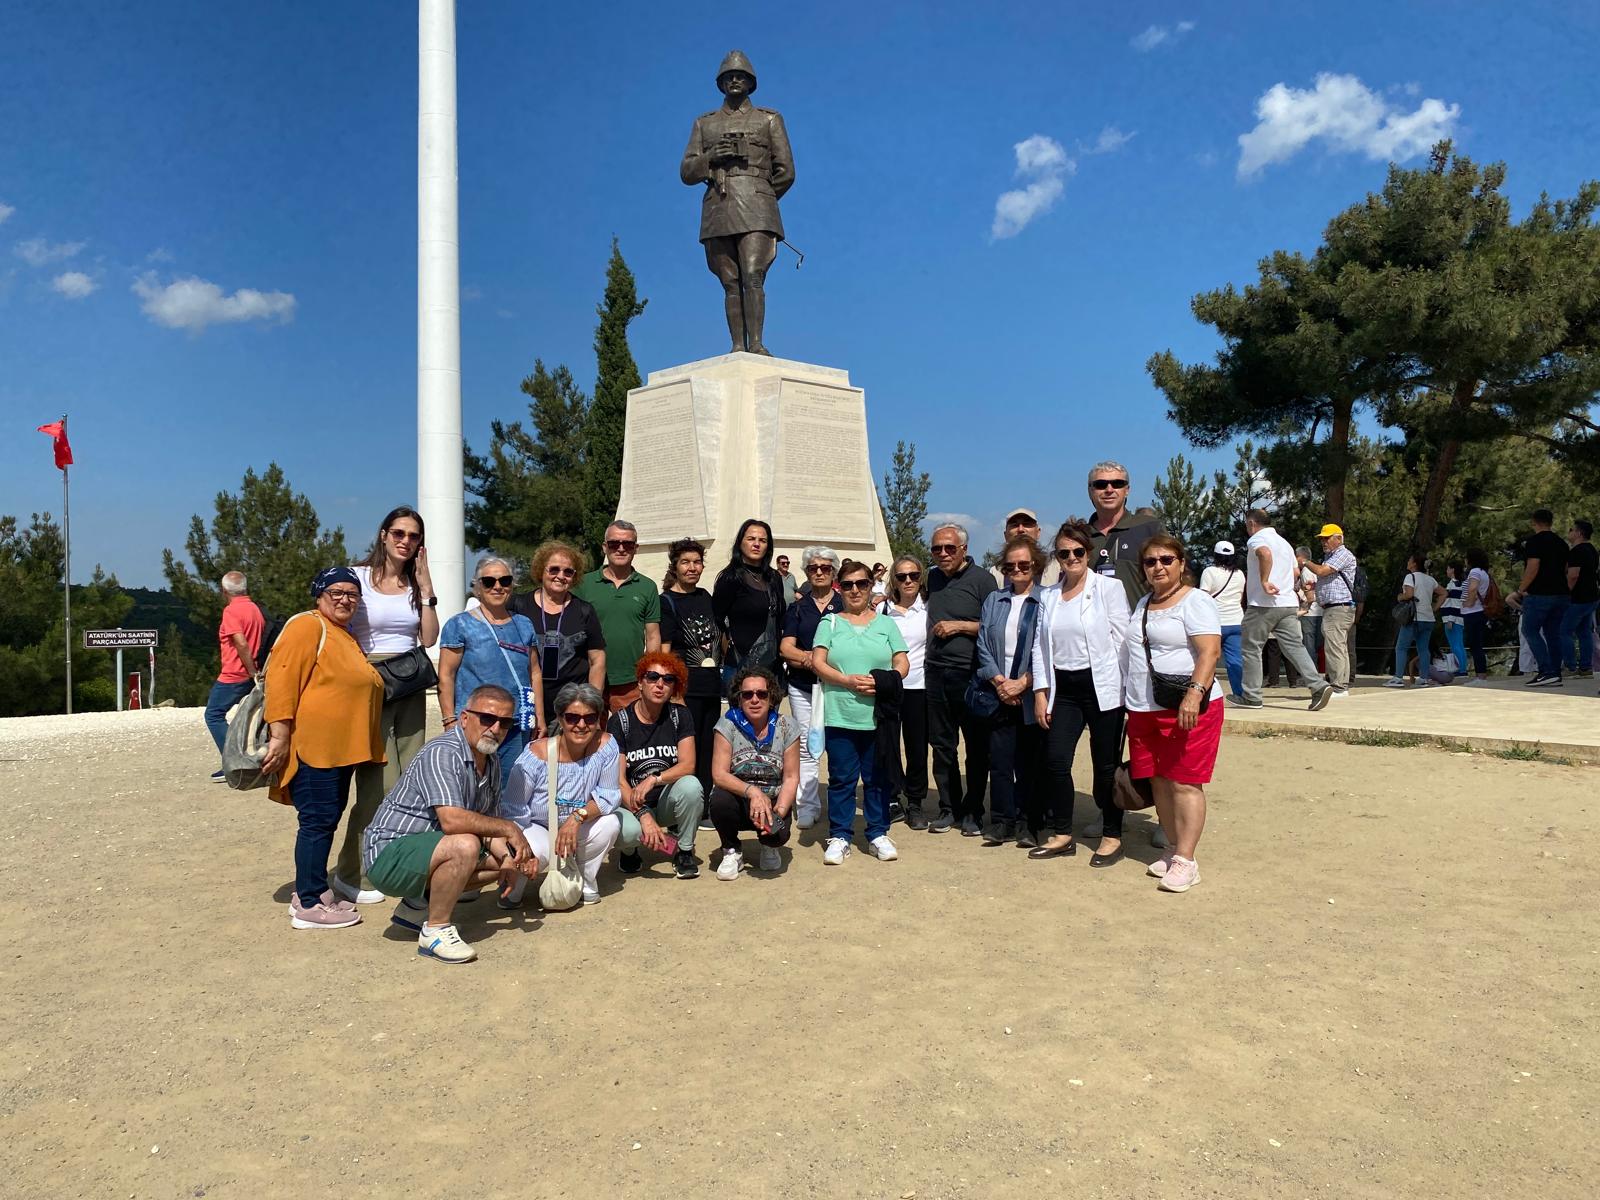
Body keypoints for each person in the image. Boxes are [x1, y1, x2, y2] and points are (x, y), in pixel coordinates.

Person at [362, 686, 537, 964]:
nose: (495, 728)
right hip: (389, 853)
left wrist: (508, 858)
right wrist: (510, 828)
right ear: (465, 718)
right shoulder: (443, 752)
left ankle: (417, 907)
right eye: (487, 718)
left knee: (506, 861)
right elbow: (452, 820)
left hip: (430, 849)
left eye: (505, 723)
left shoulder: (490, 760)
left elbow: (486, 824)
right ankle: (436, 931)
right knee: (465, 844)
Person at [260, 567, 385, 930]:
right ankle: (309, 903)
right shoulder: (307, 626)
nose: (345, 599)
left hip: (337, 751)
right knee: (316, 822)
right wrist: (279, 735)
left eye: (352, 594)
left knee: (325, 819)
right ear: (319, 595)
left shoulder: (342, 634)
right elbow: (281, 679)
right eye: (336, 592)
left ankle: (314, 889)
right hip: (314, 749)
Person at [335, 505, 440, 906]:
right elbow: (337, 623)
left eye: (413, 536)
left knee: (409, 782)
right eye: (398, 533)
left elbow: (428, 639)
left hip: (410, 683)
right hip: (371, 683)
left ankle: (393, 863)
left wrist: (427, 589)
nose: (405, 541)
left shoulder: (415, 585)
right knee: (377, 785)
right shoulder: (358, 578)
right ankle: (351, 872)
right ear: (383, 534)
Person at [1123, 535, 1223, 894]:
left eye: (1166, 559)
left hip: (1186, 705)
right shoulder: (1144, 602)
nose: (1158, 567)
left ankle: (1186, 859)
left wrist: (1194, 695)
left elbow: (1210, 652)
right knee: (1159, 780)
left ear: (1182, 563)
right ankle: (1172, 848)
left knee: (1184, 781)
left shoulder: (1195, 601)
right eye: (1150, 561)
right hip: (1144, 706)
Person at [679, 50, 795, 355]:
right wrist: (710, 157)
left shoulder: (769, 119)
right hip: (718, 207)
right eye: (728, 76)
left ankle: (756, 343)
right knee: (730, 281)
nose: (734, 80)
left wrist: (762, 196)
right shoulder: (704, 124)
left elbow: (786, 171)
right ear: (720, 83)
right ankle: (737, 346)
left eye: (740, 76)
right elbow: (687, 172)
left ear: (750, 82)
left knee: (753, 274)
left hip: (757, 207)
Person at [1030, 521, 1130, 864]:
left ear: (1088, 552)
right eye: (1064, 553)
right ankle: (1062, 833)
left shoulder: (1108, 588)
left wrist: (1127, 690)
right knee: (1056, 760)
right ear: (1057, 557)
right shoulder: (1048, 596)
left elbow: (1123, 641)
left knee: (1106, 766)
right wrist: (1041, 692)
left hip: (1102, 686)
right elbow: (1039, 647)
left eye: (1077, 551)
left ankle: (1112, 835)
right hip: (1064, 688)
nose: (1071, 558)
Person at [812, 559, 910, 864]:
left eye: (862, 583)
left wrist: (885, 680)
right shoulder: (829, 623)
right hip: (840, 713)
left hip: (878, 715)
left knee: (877, 777)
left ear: (870, 586)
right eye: (848, 584)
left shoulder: (886, 624)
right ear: (839, 588)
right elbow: (817, 662)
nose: (855, 590)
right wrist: (846, 681)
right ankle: (840, 835)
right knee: (842, 778)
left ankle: (877, 832)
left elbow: (902, 662)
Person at [500, 682, 624, 906]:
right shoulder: (535, 755)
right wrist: (522, 847)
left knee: (610, 823)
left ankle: (584, 879)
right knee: (535, 849)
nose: (581, 725)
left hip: (578, 823)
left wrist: (576, 818)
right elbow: (513, 809)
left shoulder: (606, 746)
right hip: (536, 824)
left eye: (590, 718)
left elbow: (608, 795)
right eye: (572, 718)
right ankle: (513, 885)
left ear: (599, 719)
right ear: (559, 717)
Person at [438, 556, 541, 780]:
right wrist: (449, 720)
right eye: (489, 581)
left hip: (515, 726)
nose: (497, 586)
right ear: (477, 587)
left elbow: (534, 673)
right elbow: (446, 675)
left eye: (504, 580)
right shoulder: (459, 624)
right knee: (471, 784)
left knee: (510, 787)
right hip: (476, 725)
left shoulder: (524, 624)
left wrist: (539, 716)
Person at [925, 523, 998, 835]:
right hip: (935, 672)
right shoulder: (931, 578)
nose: (943, 554)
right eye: (937, 548)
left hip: (970, 675)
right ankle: (948, 807)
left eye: (949, 548)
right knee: (942, 745)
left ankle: (973, 810)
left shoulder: (983, 580)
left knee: (977, 747)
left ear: (964, 549)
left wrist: (960, 626)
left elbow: (996, 624)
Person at [607, 652, 704, 880]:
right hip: (632, 802)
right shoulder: (620, 722)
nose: (660, 684)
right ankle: (629, 851)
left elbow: (688, 765)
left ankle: (684, 851)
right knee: (627, 831)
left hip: (665, 801)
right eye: (652, 677)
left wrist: (654, 779)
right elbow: (617, 781)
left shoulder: (680, 716)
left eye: (668, 679)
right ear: (640, 682)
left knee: (692, 786)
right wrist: (643, 815)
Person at [975, 535, 1045, 846]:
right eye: (1010, 565)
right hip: (999, 691)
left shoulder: (1047, 600)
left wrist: (1024, 682)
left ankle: (1029, 822)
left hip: (1032, 693)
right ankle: (1003, 820)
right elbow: (982, 644)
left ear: (1036, 566)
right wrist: (1000, 682)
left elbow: (1048, 648)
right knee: (1000, 761)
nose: (1017, 570)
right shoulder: (994, 600)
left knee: (1030, 762)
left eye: (1023, 565)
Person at [709, 665, 801, 878]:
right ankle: (731, 849)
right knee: (719, 801)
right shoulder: (727, 724)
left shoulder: (787, 726)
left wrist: (778, 812)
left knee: (778, 834)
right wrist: (753, 792)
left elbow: (791, 776)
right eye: (747, 694)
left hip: (772, 800)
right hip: (739, 798)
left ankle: (769, 846)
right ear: (739, 698)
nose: (755, 699)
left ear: (772, 697)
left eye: (762, 694)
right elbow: (719, 774)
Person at [1237, 509, 1333, 711]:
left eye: (1247, 526)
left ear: (1252, 523)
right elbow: (1296, 571)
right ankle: (1318, 685)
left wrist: (1265, 581)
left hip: (1263, 604)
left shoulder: (1257, 539)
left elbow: (1264, 553)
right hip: (1288, 603)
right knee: (1295, 647)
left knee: (1251, 648)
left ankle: (1252, 697)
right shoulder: (1285, 544)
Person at [778, 544, 843, 827]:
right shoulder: (797, 608)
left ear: (834, 572)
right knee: (806, 745)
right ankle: (807, 804)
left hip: (837, 687)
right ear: (806, 572)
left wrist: (820, 662)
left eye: (825, 568)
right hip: (803, 686)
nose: (819, 572)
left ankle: (839, 803)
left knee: (839, 743)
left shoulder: (844, 604)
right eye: (813, 568)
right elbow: (786, 648)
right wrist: (810, 658)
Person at [512, 541, 607, 724]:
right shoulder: (518, 606)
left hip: (572, 709)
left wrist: (592, 705)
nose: (561, 576)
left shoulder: (584, 610)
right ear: (541, 570)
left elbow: (597, 660)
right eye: (554, 569)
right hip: (526, 704)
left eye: (568, 572)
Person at [659, 538, 721, 800]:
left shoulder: (705, 597)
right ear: (675, 566)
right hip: (686, 690)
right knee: (686, 750)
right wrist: (673, 691)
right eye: (685, 562)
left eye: (697, 562)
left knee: (708, 749)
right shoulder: (666, 602)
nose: (692, 568)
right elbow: (664, 652)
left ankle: (704, 805)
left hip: (711, 687)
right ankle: (685, 804)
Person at [576, 520, 661, 710]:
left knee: (631, 729)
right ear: (604, 547)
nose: (621, 549)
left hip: (631, 681)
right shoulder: (583, 584)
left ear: (636, 548)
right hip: (588, 677)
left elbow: (653, 635)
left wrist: (650, 674)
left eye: (627, 544)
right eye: (614, 543)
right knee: (589, 728)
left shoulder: (647, 587)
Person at [878, 555, 930, 829]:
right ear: (894, 581)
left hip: (919, 687)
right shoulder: (882, 609)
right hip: (890, 687)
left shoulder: (929, 608)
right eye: (902, 576)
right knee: (887, 746)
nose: (908, 580)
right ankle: (892, 798)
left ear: (921, 577)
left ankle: (916, 802)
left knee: (917, 747)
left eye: (914, 575)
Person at [204, 570, 265, 782]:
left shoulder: (231, 611)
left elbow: (240, 642)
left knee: (213, 715)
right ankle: (252, 755)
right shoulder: (255, 608)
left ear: (224, 591)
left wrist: (250, 670)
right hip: (252, 671)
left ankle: (233, 762)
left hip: (235, 673)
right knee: (248, 717)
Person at [1085, 461, 1165, 607]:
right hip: (1092, 620)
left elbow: (1175, 578)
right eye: (1101, 484)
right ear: (1090, 490)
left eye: (1117, 484)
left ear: (1127, 489)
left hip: (1140, 619)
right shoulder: (1081, 535)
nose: (1109, 489)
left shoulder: (1150, 528)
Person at [713, 517, 785, 680]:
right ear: (740, 542)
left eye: (763, 540)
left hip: (771, 665)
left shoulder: (774, 577)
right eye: (751, 539)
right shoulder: (730, 578)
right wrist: (728, 648)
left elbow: (780, 619)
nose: (757, 544)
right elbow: (717, 619)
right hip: (740, 666)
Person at [1507, 509, 1570, 686]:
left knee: (1529, 630)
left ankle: (1546, 670)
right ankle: (1555, 673)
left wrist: (1521, 589)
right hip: (1561, 593)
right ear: (1551, 522)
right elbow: (1566, 568)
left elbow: (1533, 566)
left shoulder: (1534, 542)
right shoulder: (1562, 543)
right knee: (1553, 634)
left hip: (1540, 593)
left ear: (1534, 522)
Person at [1300, 523, 1359, 694]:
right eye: (1322, 539)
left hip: (1338, 608)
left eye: (1327, 538)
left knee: (1334, 647)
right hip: (1336, 608)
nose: (1323, 542)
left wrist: (1305, 562)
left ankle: (1338, 686)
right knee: (1338, 647)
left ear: (1339, 539)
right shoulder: (1332, 556)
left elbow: (1321, 571)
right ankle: (1341, 684)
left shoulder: (1342, 554)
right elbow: (1330, 579)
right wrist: (1315, 587)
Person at [1388, 555, 1443, 687]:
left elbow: (1409, 594)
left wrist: (1400, 597)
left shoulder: (1410, 577)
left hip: (1414, 617)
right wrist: (1434, 607)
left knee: (1401, 647)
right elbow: (1444, 593)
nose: (1408, 562)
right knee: (1423, 649)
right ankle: (1423, 678)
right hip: (1428, 618)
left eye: (1409, 560)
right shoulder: (1430, 579)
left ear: (1414, 564)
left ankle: (1398, 678)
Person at [1199, 542, 1245, 696]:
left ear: (1216, 555)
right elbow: (1240, 597)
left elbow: (1203, 598)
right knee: (1235, 661)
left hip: (1215, 623)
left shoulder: (1209, 572)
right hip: (1237, 621)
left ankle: (1206, 694)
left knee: (1208, 659)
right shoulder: (1240, 574)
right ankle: (1240, 694)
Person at [1561, 519, 1598, 678]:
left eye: (1571, 529)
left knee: (1564, 631)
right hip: (1592, 596)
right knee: (1584, 632)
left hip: (1577, 598)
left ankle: (1570, 666)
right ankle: (1586, 667)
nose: (1569, 532)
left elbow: (1573, 575)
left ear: (1579, 533)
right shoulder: (1592, 550)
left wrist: (1565, 593)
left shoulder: (1577, 551)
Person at [989, 508, 1061, 586]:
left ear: (1038, 532)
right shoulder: (996, 573)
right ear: (1005, 535)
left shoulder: (1056, 568)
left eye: (1027, 524)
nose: (1020, 529)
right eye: (1014, 525)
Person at [1460, 547, 1494, 683]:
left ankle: (1480, 676)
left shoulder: (1474, 572)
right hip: (1479, 612)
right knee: (1477, 644)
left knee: (1475, 645)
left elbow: (1473, 588)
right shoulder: (1484, 573)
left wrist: (1468, 602)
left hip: (1473, 612)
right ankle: (1481, 674)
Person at [1295, 545, 1323, 672]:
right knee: (1316, 645)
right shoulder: (1316, 569)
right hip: (1320, 611)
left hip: (1310, 613)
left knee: (1308, 645)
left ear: (1300, 557)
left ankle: (1311, 673)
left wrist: (1304, 609)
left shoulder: (1306, 571)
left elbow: (1310, 596)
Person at [1439, 562, 1468, 678]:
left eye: (1448, 568)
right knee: (1458, 644)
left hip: (1452, 619)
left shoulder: (1455, 584)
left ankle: (1461, 669)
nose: (1446, 571)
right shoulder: (1456, 583)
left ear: (1453, 570)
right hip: (1456, 619)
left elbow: (1456, 604)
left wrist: (1450, 619)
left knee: (1455, 644)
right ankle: (1462, 668)